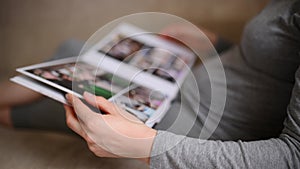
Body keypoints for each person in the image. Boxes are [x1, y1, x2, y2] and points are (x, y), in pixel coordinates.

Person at [0, 0, 299, 168]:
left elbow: (292, 156)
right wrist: (215, 44)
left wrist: (147, 146)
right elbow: (273, 71)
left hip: (200, 129)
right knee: (74, 51)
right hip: (177, 87)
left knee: (67, 84)